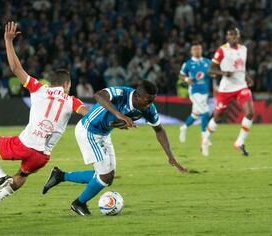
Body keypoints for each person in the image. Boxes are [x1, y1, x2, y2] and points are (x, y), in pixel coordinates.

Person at [0, 22, 88, 212]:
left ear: (52, 83)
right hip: (42, 157)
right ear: (66, 84)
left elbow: (15, 68)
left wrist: (8, 41)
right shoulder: (72, 101)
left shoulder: (38, 88)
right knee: (21, 175)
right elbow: (89, 114)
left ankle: (0, 177)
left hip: (24, 145)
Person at [43, 81, 188, 216]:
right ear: (137, 96)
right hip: (89, 130)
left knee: (108, 176)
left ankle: (60, 176)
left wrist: (170, 156)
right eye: (147, 101)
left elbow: (159, 130)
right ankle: (78, 203)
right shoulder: (121, 93)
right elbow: (99, 95)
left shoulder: (148, 109)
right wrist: (119, 115)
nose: (150, 105)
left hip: (103, 134)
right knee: (105, 176)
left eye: (152, 101)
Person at [202, 27, 254, 157]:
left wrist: (247, 77)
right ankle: (205, 138)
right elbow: (210, 70)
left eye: (235, 35)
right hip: (226, 88)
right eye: (231, 36)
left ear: (239, 36)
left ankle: (240, 142)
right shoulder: (222, 50)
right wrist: (223, 72)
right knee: (217, 117)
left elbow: (241, 67)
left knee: (250, 113)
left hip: (241, 86)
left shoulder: (244, 49)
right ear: (227, 37)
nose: (233, 37)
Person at [179, 43, 212, 144]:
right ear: (191, 51)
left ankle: (183, 128)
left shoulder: (207, 62)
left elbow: (213, 73)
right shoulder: (188, 64)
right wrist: (187, 78)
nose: (197, 51)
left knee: (195, 114)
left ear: (201, 50)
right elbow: (181, 75)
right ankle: (204, 137)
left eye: (199, 49)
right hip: (194, 92)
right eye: (195, 49)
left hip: (205, 92)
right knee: (206, 112)